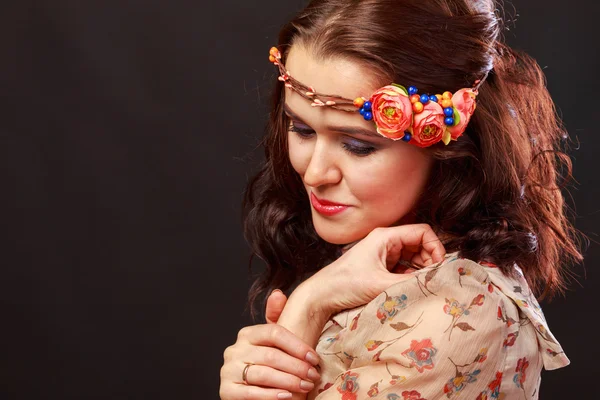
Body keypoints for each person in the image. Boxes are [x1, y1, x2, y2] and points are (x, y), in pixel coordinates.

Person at [219, 0, 584, 399]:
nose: (315, 172)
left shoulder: (459, 312)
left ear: (448, 146)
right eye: (303, 130)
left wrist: (306, 307)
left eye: (358, 146)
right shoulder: (369, 262)